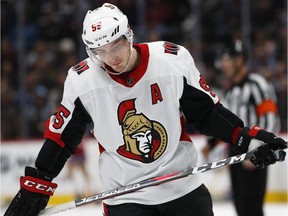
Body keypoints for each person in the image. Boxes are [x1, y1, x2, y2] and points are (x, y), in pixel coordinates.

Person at [4, 3, 287, 216]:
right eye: (100, 52)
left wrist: (246, 137)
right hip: (126, 197)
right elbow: (61, 139)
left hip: (182, 186)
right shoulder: (82, 81)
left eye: (116, 46)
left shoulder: (171, 60)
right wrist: (36, 184)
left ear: (129, 35)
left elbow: (207, 113)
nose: (111, 58)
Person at [202, 40, 281, 216]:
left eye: (226, 58)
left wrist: (258, 150)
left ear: (239, 60)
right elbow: (228, 123)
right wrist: (212, 144)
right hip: (235, 155)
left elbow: (271, 119)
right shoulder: (230, 91)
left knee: (251, 207)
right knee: (240, 206)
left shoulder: (257, 84)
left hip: (254, 154)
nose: (223, 64)